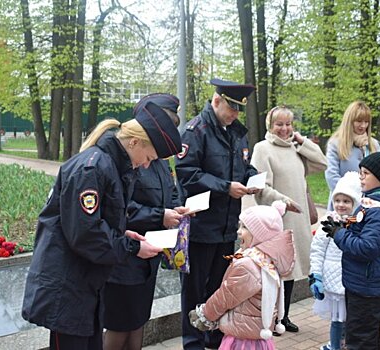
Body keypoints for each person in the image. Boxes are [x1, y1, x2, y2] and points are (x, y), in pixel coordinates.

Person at [22, 101, 182, 350]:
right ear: (134, 142)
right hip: (68, 286)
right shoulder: (93, 168)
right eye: (149, 157)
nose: (147, 165)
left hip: (85, 284)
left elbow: (98, 221)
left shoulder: (109, 165)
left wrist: (122, 232)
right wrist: (130, 246)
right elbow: (86, 234)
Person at [175, 78, 259, 349]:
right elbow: (187, 174)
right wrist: (225, 187)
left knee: (219, 285)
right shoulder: (195, 131)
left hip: (226, 225)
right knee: (194, 288)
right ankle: (192, 341)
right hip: (201, 225)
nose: (234, 114)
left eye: (238, 110)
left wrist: (253, 177)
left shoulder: (236, 132)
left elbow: (242, 166)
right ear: (216, 101)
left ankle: (212, 334)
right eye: (231, 108)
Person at [102, 93, 190, 350]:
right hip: (127, 252)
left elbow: (169, 190)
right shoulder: (126, 158)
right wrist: (159, 216)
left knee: (139, 319)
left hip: (149, 252)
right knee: (120, 323)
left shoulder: (159, 160)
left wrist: (176, 209)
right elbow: (121, 208)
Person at [250, 105, 327, 333]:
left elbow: (321, 163)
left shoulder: (295, 148)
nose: (284, 129)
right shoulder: (262, 149)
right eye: (279, 124)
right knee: (275, 271)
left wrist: (303, 142)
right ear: (270, 126)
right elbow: (260, 186)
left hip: (298, 219)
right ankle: (270, 317)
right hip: (279, 218)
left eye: (288, 124)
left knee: (291, 270)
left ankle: (284, 316)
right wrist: (283, 201)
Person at [322, 151, 380, 350]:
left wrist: (338, 234)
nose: (360, 176)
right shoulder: (372, 203)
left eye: (365, 173)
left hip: (367, 287)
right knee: (363, 335)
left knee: (361, 339)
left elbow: (366, 248)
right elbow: (360, 223)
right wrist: (343, 225)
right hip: (361, 283)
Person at [188, 201, 295, 350]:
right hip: (256, 332)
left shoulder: (248, 265)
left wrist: (205, 315)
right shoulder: (267, 259)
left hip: (242, 339)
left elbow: (226, 296)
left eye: (245, 227)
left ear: (259, 234)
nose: (238, 231)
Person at [309, 171, 361, 350]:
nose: (341, 205)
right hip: (333, 280)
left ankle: (348, 344)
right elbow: (317, 250)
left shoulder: (359, 223)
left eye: (346, 201)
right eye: (337, 200)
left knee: (352, 319)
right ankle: (336, 345)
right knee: (338, 319)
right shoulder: (328, 221)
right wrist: (316, 275)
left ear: (355, 202)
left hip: (353, 279)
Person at [325, 101, 380, 210]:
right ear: (350, 121)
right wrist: (350, 196)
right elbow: (331, 175)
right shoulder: (335, 143)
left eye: (366, 122)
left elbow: (379, 175)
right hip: (343, 204)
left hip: (368, 203)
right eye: (359, 121)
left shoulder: (373, 145)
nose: (363, 126)